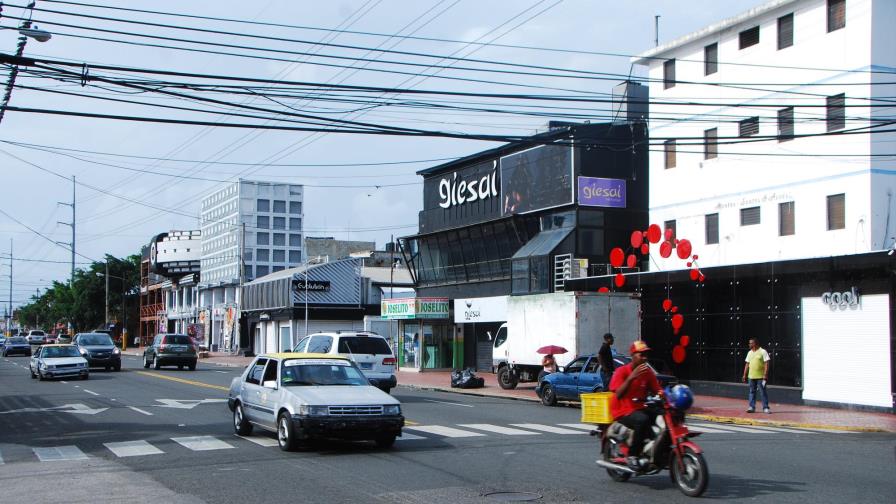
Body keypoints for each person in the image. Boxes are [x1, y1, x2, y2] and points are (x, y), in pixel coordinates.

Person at [609, 340, 662, 470]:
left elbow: (657, 389)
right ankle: (632, 455)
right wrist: (631, 377)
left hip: (639, 407)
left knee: (664, 415)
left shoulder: (647, 373)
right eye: (641, 354)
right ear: (633, 356)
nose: (645, 358)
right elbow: (619, 394)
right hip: (621, 410)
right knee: (642, 420)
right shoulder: (622, 371)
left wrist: (664, 395)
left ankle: (656, 447)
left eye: (646, 355)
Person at [742, 338, 771, 413]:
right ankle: (752, 407)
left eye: (751, 343)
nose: (749, 344)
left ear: (755, 343)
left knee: (762, 392)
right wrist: (744, 375)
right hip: (751, 377)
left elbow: (766, 363)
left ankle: (765, 407)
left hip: (761, 377)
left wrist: (765, 374)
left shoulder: (763, 351)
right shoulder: (749, 353)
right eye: (749, 343)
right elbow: (747, 364)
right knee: (752, 392)